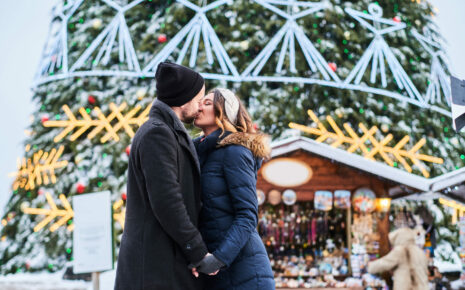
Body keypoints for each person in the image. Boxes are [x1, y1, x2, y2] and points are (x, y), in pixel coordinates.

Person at [114, 62, 218, 290]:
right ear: (184, 98)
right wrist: (198, 251)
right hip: (155, 268)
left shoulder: (167, 132)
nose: (201, 105)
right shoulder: (158, 134)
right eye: (199, 97)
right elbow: (167, 200)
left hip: (163, 263)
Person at [191, 88, 275, 289]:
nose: (199, 105)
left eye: (208, 103)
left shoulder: (235, 152)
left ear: (223, 113)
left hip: (245, 273)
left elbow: (247, 215)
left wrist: (219, 258)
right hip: (217, 273)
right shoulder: (200, 153)